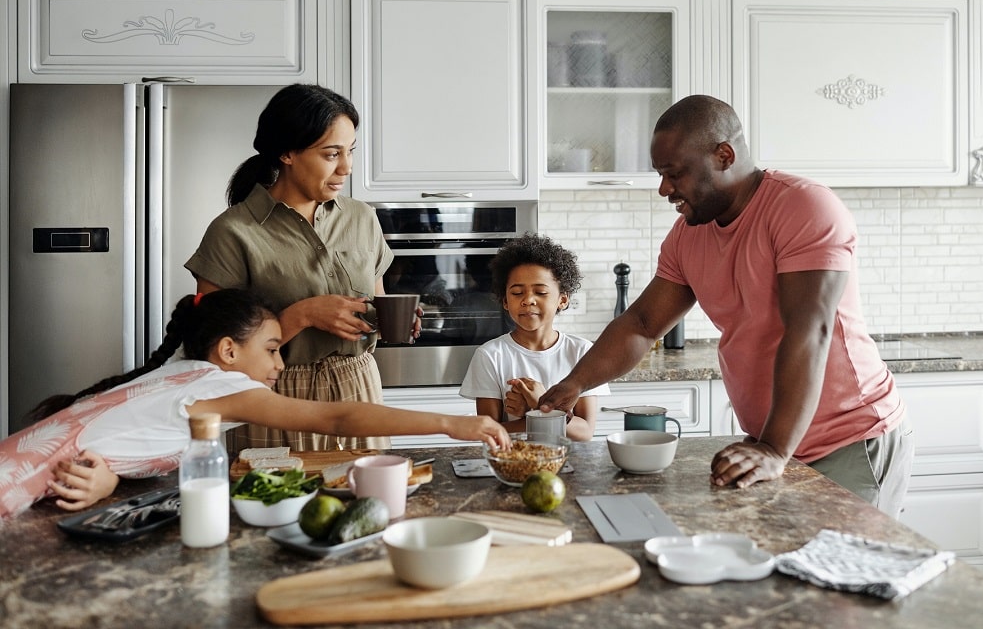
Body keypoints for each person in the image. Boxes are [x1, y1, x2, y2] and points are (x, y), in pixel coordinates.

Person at [537, 95, 913, 517]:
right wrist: (575, 384)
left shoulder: (803, 208)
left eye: (674, 173)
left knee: (842, 579)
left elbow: (809, 331)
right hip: (771, 443)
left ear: (724, 155)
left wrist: (773, 447)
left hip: (847, 440)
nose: (664, 189)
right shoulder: (688, 235)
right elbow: (642, 324)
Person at [0, 289, 510, 521]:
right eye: (271, 349)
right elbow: (335, 416)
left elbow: (121, 442)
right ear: (227, 351)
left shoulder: (179, 375)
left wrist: (109, 479)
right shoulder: (217, 386)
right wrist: (452, 422)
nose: (280, 365)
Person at [185, 83, 414, 452]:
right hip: (276, 400)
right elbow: (213, 353)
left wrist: (387, 319)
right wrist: (303, 314)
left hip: (359, 389)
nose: (347, 167)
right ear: (287, 153)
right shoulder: (232, 232)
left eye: (350, 151)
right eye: (331, 154)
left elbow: (375, 305)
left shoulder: (362, 219)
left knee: (369, 505)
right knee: (277, 505)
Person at [459, 233, 609, 442]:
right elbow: (489, 434)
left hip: (571, 466)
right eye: (517, 292)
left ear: (562, 300)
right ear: (505, 301)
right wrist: (539, 414)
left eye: (540, 292)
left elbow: (584, 433)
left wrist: (539, 405)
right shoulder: (490, 355)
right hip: (514, 466)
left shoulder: (582, 352)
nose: (528, 300)